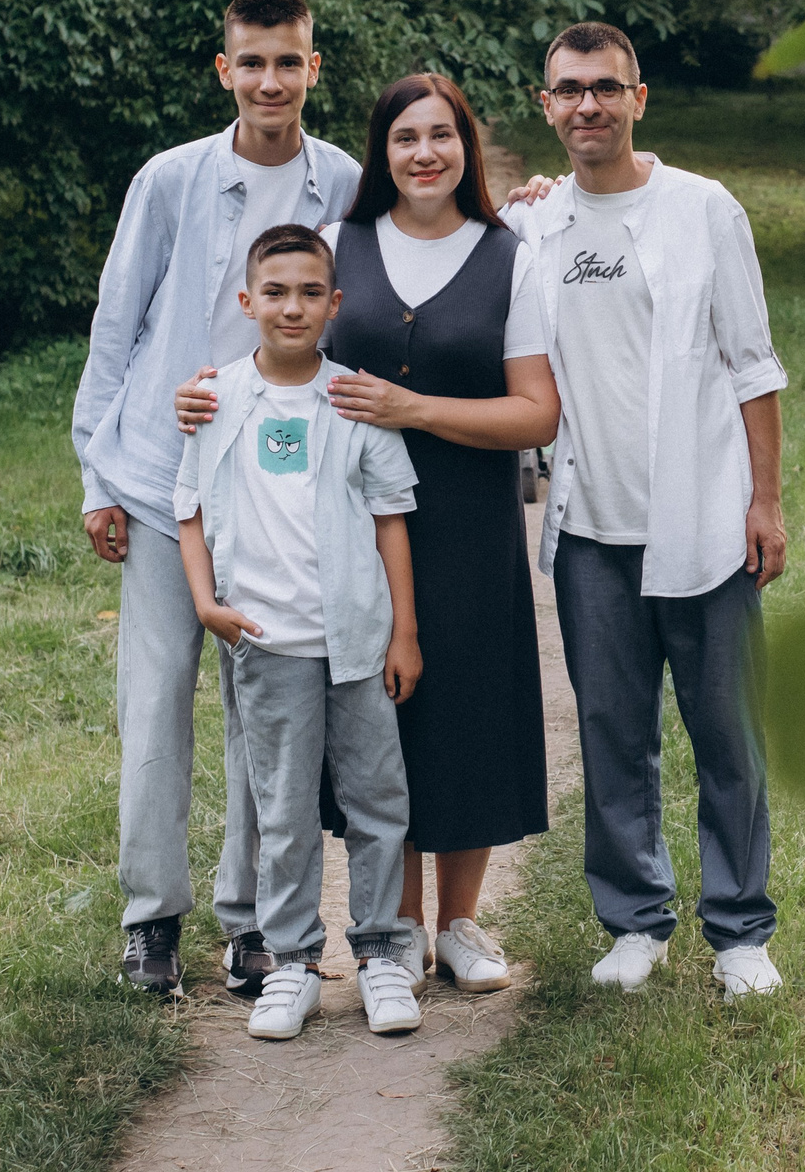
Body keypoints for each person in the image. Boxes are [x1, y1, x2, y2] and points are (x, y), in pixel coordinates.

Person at [176, 74, 558, 993]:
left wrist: (414, 406)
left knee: (461, 712)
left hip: (466, 517)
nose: (424, 152)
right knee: (379, 736)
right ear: (379, 154)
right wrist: (207, 392)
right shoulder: (345, 246)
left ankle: (458, 923)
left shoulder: (510, 255)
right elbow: (281, 334)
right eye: (404, 138)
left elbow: (537, 416)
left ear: (466, 145)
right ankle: (388, 930)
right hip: (340, 527)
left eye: (442, 135)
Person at [71, 0, 362, 999]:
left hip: (275, 489)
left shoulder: (344, 184)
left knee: (266, 715)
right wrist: (94, 474)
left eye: (288, 62)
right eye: (252, 62)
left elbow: (420, 251)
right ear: (224, 68)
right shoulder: (170, 179)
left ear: (312, 69)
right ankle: (151, 917)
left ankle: (252, 921)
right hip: (159, 475)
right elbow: (117, 325)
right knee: (152, 705)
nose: (269, 81)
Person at [504, 21, 790, 999]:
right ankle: (634, 920)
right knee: (613, 730)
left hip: (704, 520)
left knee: (727, 733)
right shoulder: (532, 228)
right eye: (569, 89)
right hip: (589, 528)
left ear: (638, 97)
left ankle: (740, 929)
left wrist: (766, 500)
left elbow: (752, 363)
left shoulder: (703, 209)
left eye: (605, 87)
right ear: (545, 105)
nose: (588, 104)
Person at [174, 222, 427, 1040]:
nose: (293, 307)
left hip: (355, 641)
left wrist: (404, 634)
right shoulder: (218, 400)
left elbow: (392, 522)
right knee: (281, 810)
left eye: (310, 292)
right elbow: (191, 511)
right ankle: (291, 962)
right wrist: (207, 602)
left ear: (335, 302)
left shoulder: (354, 397)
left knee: (377, 797)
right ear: (247, 301)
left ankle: (385, 954)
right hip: (266, 642)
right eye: (275, 292)